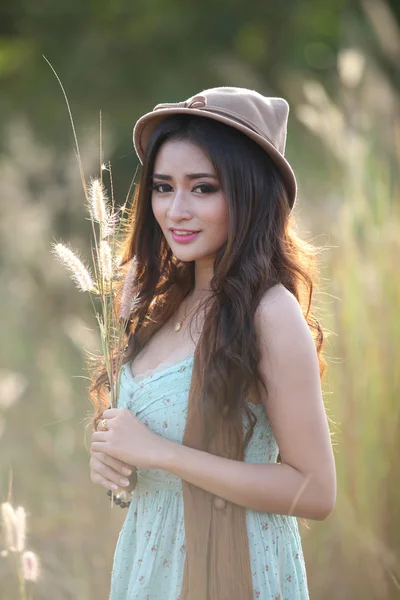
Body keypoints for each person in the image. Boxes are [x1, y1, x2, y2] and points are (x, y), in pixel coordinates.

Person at [89, 86, 336, 600]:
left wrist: (160, 453)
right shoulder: (154, 308)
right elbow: (145, 467)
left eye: (202, 188)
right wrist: (119, 470)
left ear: (248, 194)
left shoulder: (269, 314)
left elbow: (315, 490)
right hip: (148, 569)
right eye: (163, 187)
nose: (176, 209)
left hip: (232, 573)